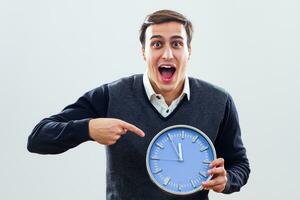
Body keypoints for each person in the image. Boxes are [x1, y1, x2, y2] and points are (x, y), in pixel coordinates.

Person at [27, 9, 250, 200]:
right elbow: (38, 137)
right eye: (157, 44)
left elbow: (239, 164)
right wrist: (89, 128)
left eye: (177, 43)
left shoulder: (219, 102)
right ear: (143, 51)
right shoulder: (111, 96)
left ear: (189, 51)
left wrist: (227, 180)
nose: (167, 53)